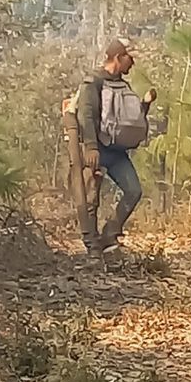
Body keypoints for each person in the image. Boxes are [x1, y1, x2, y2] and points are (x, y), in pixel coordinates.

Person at [75, 38, 155, 255]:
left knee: (134, 191)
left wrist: (145, 105)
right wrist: (91, 147)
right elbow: (87, 116)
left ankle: (110, 233)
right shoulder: (93, 82)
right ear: (119, 57)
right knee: (91, 199)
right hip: (98, 149)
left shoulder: (123, 85)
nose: (133, 64)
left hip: (117, 152)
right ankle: (92, 246)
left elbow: (128, 118)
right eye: (130, 58)